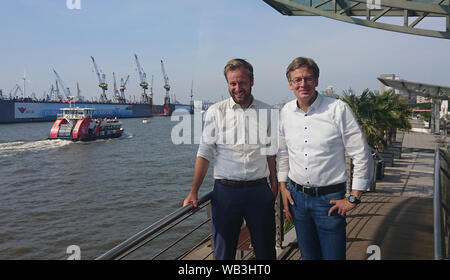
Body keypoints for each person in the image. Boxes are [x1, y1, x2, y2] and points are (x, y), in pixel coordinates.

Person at [278, 57, 373, 260]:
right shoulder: (286, 112)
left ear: (316, 81)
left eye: (308, 78)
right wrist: (283, 186)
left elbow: (361, 154)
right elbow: (284, 152)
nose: (303, 84)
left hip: (329, 201)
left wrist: (354, 197)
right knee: (308, 256)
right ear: (290, 84)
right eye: (297, 80)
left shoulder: (337, 109)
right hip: (297, 199)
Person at [183, 58, 278, 260]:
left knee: (266, 251)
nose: (237, 88)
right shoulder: (215, 112)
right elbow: (204, 152)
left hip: (259, 192)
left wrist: (275, 185)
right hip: (225, 193)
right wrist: (193, 191)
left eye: (242, 82)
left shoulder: (269, 112)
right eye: (232, 83)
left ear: (252, 81)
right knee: (224, 253)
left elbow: (272, 153)